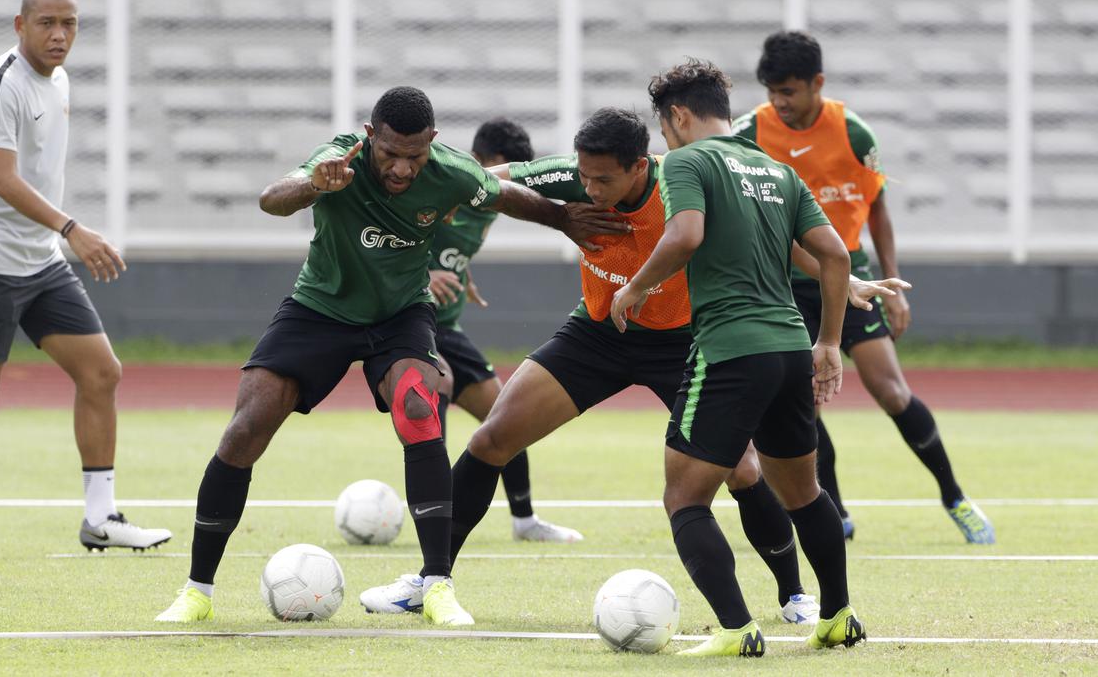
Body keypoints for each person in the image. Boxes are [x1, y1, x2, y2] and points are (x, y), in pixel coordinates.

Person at [364, 107, 904, 625]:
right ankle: (429, 579)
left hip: (682, 342)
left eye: (603, 180)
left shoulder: (683, 183)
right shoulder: (574, 176)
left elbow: (781, 240)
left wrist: (848, 280)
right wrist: (425, 174)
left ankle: (794, 595)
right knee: (492, 439)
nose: (590, 189)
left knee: (742, 469)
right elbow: (490, 178)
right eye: (584, 177)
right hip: (599, 333)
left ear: (639, 168)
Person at [154, 86, 628, 625]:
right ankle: (197, 591)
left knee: (420, 407)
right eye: (391, 155)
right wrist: (313, 184)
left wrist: (564, 220)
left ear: (433, 143)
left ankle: (437, 585)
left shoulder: (450, 170)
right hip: (321, 307)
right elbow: (271, 198)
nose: (403, 169)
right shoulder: (338, 158)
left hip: (400, 314)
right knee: (246, 428)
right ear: (370, 135)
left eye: (415, 156)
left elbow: (503, 196)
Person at [0, 0, 171, 559]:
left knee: (102, 373)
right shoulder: (1, 82)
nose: (59, 34)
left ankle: (100, 518)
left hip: (40, 262)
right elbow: (2, 180)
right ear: (19, 25)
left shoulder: (61, 79)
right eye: (47, 22)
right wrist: (73, 229)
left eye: (69, 23)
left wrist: (57, 238)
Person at [609, 59, 864, 657]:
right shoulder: (775, 168)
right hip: (788, 347)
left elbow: (686, 234)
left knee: (684, 497)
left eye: (664, 127)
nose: (665, 140)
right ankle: (838, 615)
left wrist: (636, 286)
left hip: (729, 349)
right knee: (806, 493)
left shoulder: (687, 161)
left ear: (676, 116)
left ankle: (736, 629)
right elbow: (836, 257)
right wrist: (827, 342)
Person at [734, 30, 994, 544]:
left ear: (817, 84)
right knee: (799, 403)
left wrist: (893, 286)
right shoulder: (748, 135)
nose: (779, 103)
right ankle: (835, 511)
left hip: (849, 276)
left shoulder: (855, 135)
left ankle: (954, 496)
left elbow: (877, 208)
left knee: (891, 389)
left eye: (789, 91)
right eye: (772, 92)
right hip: (781, 286)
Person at [425, 118, 585, 545]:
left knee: (506, 415)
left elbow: (450, 247)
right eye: (508, 168)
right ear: (487, 162)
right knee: (437, 381)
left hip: (447, 324)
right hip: (405, 317)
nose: (513, 182)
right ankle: (433, 512)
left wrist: (461, 271)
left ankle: (525, 520)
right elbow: (397, 233)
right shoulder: (446, 186)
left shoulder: (488, 206)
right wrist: (425, 276)